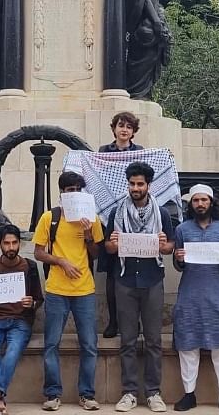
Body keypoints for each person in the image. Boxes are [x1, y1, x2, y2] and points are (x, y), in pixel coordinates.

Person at [105, 162, 175, 413]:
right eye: (132, 184)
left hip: (152, 280)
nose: (136, 188)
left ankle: (154, 392)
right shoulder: (117, 212)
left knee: (154, 340)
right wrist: (113, 243)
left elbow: (169, 248)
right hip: (124, 280)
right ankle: (129, 392)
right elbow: (109, 248)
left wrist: (163, 244)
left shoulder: (163, 214)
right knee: (128, 340)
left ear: (148, 185)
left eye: (140, 184)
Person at [34, 171, 105, 412]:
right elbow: (38, 253)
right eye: (69, 190)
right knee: (52, 343)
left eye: (77, 189)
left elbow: (97, 253)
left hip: (84, 289)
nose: (73, 193)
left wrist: (87, 235)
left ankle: (87, 394)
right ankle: (53, 393)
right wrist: (61, 261)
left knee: (89, 344)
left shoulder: (91, 218)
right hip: (56, 289)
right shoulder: (49, 218)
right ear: (62, 193)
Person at [171, 185, 219, 413]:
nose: (200, 204)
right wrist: (178, 257)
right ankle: (189, 394)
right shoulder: (182, 229)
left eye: (204, 200)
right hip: (190, 293)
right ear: (191, 204)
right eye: (196, 201)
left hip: (216, 293)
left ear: (211, 202)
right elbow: (178, 265)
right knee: (187, 344)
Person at [0, 224, 45, 415]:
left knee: (13, 351)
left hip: (20, 321)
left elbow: (39, 299)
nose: (11, 247)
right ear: (0, 245)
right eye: (6, 243)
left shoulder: (30, 267)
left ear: (20, 243)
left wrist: (32, 303)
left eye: (14, 243)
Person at [98, 111, 143, 338]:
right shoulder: (103, 153)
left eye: (128, 127)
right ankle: (113, 322)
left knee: (137, 270)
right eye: (120, 126)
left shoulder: (141, 153)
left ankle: (135, 322)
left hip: (137, 217)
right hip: (110, 215)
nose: (124, 130)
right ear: (114, 128)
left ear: (133, 131)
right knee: (112, 272)